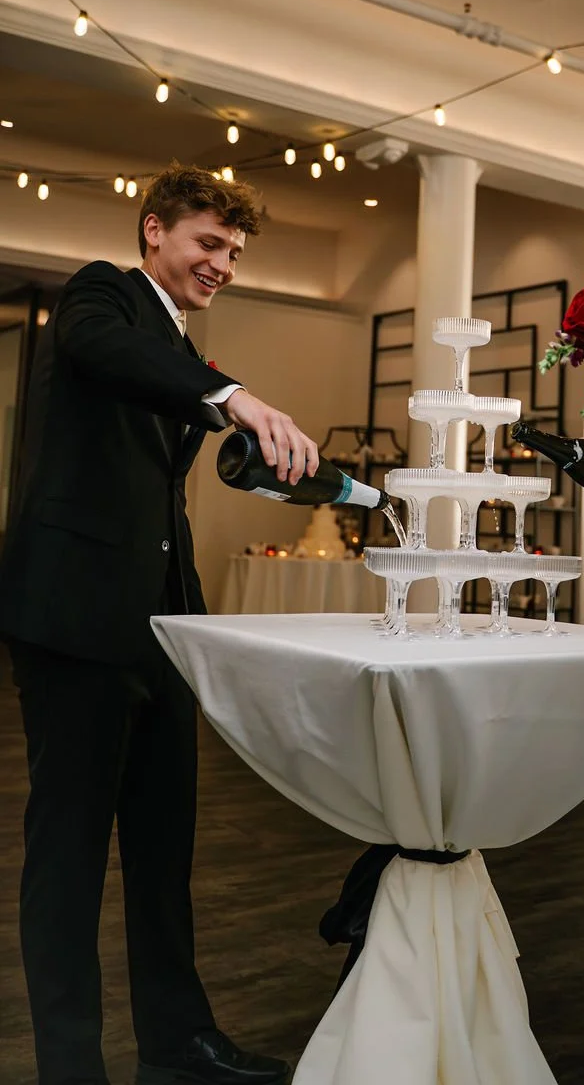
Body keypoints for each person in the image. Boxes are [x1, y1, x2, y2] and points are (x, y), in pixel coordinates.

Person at [0, 164, 320, 1085]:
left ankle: (179, 1042)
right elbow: (111, 354)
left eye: (235, 252)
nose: (223, 264)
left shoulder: (183, 346)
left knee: (162, 847)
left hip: (162, 629)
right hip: (74, 619)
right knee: (66, 855)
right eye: (208, 243)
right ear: (154, 232)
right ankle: (70, 1064)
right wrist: (233, 397)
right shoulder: (103, 296)